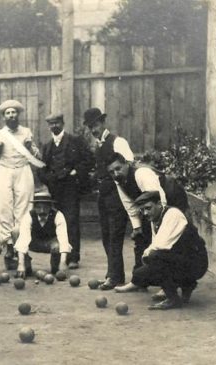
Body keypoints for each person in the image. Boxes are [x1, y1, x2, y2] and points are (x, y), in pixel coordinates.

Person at [105, 152, 190, 294]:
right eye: (112, 172)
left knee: (169, 242)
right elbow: (130, 206)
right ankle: (138, 281)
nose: (116, 173)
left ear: (126, 163)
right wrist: (137, 227)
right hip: (151, 205)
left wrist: (158, 229)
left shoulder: (142, 174)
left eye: (118, 168)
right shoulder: (119, 180)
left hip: (171, 198)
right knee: (140, 238)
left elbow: (159, 201)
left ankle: (169, 286)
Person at [126, 191, 208, 310]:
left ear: (159, 204)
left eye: (148, 208)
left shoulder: (172, 214)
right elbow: (155, 243)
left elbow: (160, 245)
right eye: (142, 210)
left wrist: (147, 257)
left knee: (154, 257)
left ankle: (173, 298)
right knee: (140, 273)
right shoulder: (155, 218)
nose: (146, 213)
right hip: (182, 259)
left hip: (197, 263)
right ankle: (187, 284)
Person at [0, 100, 43, 270]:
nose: (11, 115)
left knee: (24, 210)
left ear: (18, 115)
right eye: (8, 113)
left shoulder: (26, 132)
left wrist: (30, 147)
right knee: (3, 209)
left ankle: (22, 249)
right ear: (4, 117)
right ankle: (9, 247)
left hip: (23, 171)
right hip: (5, 171)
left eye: (14, 112)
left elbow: (36, 154)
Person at [83, 108, 134, 290]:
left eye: (95, 125)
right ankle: (113, 274)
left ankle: (114, 276)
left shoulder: (118, 142)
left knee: (115, 236)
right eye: (90, 127)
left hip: (117, 195)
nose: (93, 130)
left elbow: (129, 164)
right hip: (103, 195)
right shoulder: (97, 144)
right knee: (106, 235)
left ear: (103, 122)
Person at [38, 113, 94, 269]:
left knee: (71, 222)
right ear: (48, 126)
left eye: (57, 123)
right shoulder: (47, 146)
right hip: (54, 191)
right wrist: (48, 179)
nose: (54, 126)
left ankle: (73, 257)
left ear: (62, 123)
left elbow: (89, 159)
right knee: (57, 222)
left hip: (70, 188)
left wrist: (76, 172)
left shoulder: (75, 141)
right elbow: (42, 169)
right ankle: (59, 255)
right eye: (51, 124)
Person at [15, 191, 71, 278]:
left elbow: (63, 240)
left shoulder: (58, 215)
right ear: (34, 207)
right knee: (16, 231)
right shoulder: (29, 216)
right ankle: (26, 265)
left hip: (51, 244)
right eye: (38, 207)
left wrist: (63, 263)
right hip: (34, 243)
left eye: (45, 207)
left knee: (57, 247)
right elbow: (23, 240)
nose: (42, 211)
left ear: (50, 207)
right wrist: (20, 264)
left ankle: (56, 266)